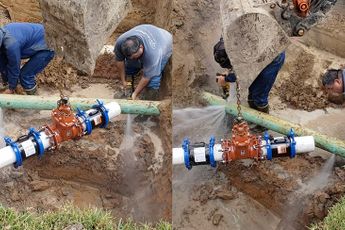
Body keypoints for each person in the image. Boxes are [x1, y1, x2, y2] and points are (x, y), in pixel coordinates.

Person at [213, 37, 285, 113]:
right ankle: (254, 114)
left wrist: (226, 79)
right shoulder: (229, 38)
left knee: (259, 96)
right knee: (252, 91)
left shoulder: (248, 53)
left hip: (272, 58)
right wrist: (229, 73)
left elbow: (245, 72)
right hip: (261, 51)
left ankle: (262, 122)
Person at [114, 24, 172, 101]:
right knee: (130, 65)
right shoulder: (120, 42)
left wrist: (135, 94)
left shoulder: (153, 54)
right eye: (130, 57)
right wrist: (124, 81)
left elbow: (146, 77)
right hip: (149, 30)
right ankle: (128, 90)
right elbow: (119, 61)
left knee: (154, 78)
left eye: (134, 56)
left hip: (165, 42)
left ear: (141, 47)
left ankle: (149, 102)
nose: (132, 58)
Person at [0, 22, 55, 95]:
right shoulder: (2, 34)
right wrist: (6, 82)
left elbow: (14, 66)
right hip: (33, 41)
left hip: (47, 45)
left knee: (25, 75)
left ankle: (34, 101)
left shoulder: (12, 44)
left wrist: (11, 88)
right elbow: (3, 64)